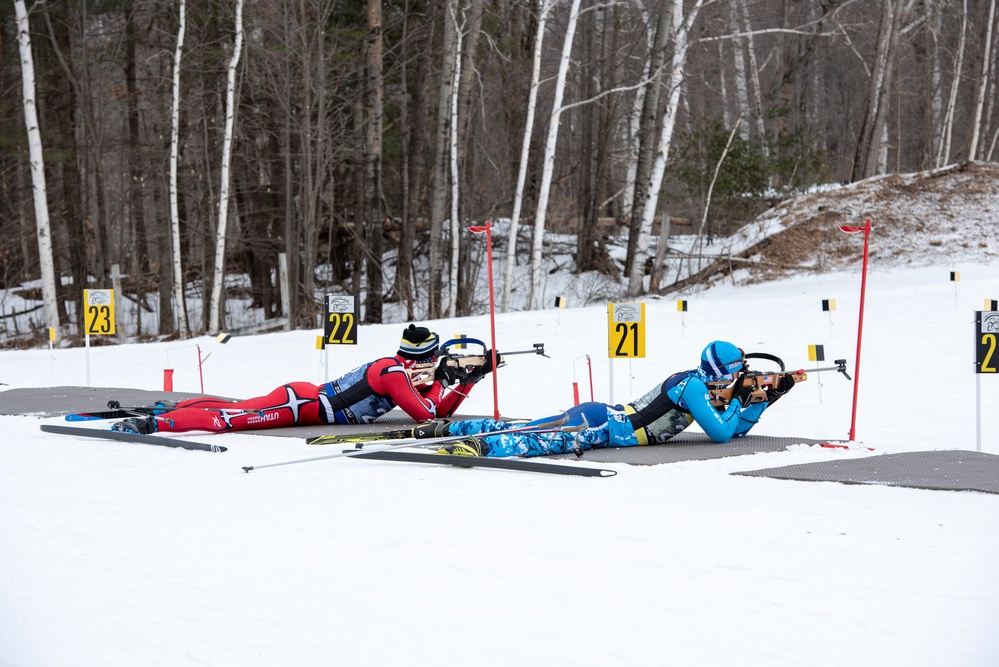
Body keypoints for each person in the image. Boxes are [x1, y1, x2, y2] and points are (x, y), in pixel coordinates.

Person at [422, 340, 795, 458]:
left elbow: (736, 429)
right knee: (538, 439)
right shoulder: (696, 389)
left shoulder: (696, 381)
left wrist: (761, 400)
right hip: (604, 425)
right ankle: (475, 447)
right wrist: (736, 403)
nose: (734, 378)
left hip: (607, 418)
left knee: (531, 427)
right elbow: (722, 434)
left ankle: (452, 428)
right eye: (732, 371)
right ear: (719, 371)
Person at [111, 324, 495, 434]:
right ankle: (151, 423)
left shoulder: (404, 371)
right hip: (301, 405)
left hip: (307, 402)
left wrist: (469, 380)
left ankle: (173, 409)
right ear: (425, 358)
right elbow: (425, 414)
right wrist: (446, 380)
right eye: (435, 359)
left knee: (235, 408)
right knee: (226, 420)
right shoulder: (393, 372)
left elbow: (437, 409)